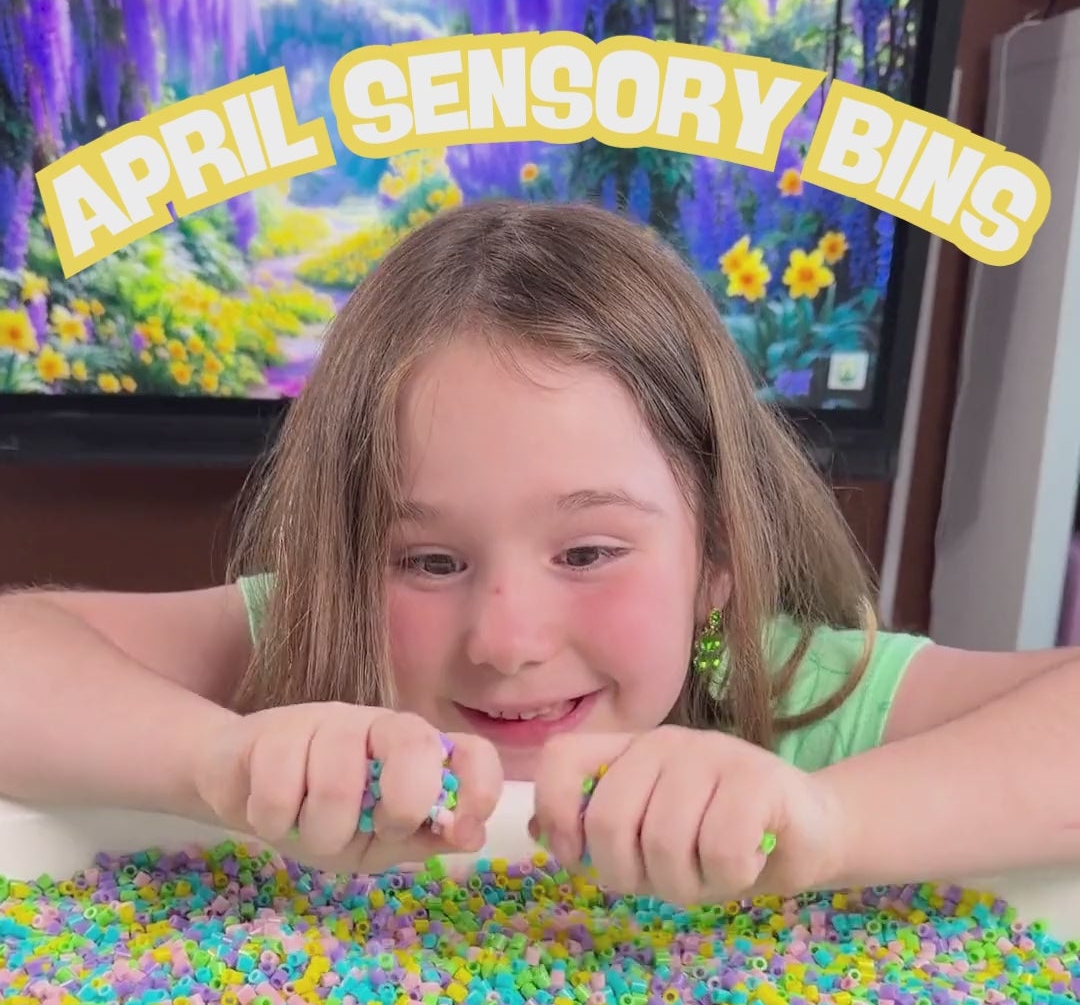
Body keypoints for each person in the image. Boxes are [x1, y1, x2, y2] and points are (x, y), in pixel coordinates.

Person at [1, 198, 1077, 910]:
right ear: (341, 557)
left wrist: (831, 825)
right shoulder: (313, 630)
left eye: (590, 552)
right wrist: (222, 764)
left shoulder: (799, 692)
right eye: (429, 562)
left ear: (717, 553)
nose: (508, 642)